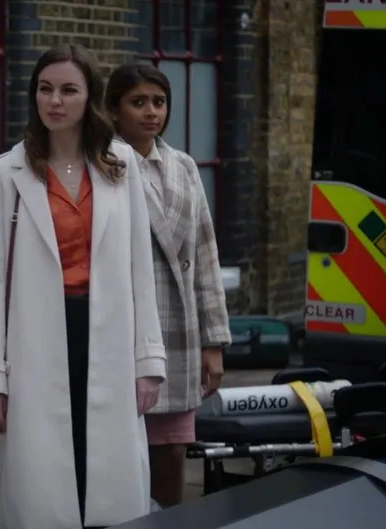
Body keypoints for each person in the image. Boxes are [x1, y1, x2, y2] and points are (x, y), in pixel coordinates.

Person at [0, 44, 168, 529]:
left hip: (109, 336)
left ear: (89, 97)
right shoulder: (3, 175)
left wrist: (149, 361)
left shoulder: (121, 165)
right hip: (36, 341)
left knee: (109, 480)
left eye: (68, 90)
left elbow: (140, 271)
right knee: (45, 483)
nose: (54, 101)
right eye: (45, 89)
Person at [104, 62, 232, 508]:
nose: (150, 112)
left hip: (180, 331)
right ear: (114, 109)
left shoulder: (183, 166)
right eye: (137, 102)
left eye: (159, 102)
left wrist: (213, 342)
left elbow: (206, 254)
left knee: (173, 453)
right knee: (120, 457)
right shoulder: (102, 164)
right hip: (126, 330)